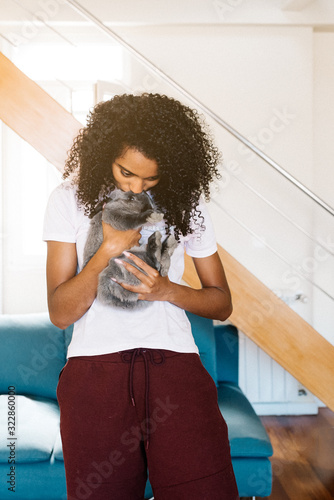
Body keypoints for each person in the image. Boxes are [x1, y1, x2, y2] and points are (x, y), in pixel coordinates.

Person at [43, 93, 239, 500]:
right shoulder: (68, 199)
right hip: (95, 376)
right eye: (126, 173)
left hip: (176, 369)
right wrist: (104, 255)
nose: (136, 186)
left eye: (151, 179)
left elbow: (221, 302)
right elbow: (60, 313)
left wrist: (166, 290)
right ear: (106, 152)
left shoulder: (187, 204)